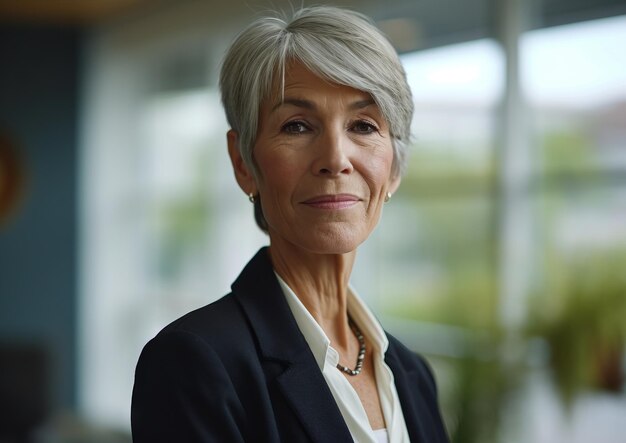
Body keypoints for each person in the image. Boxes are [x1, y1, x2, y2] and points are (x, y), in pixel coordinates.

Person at [131, 6, 449, 443]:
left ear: (393, 168)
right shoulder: (194, 363)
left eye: (363, 124)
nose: (336, 159)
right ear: (243, 163)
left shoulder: (413, 373)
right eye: (297, 125)